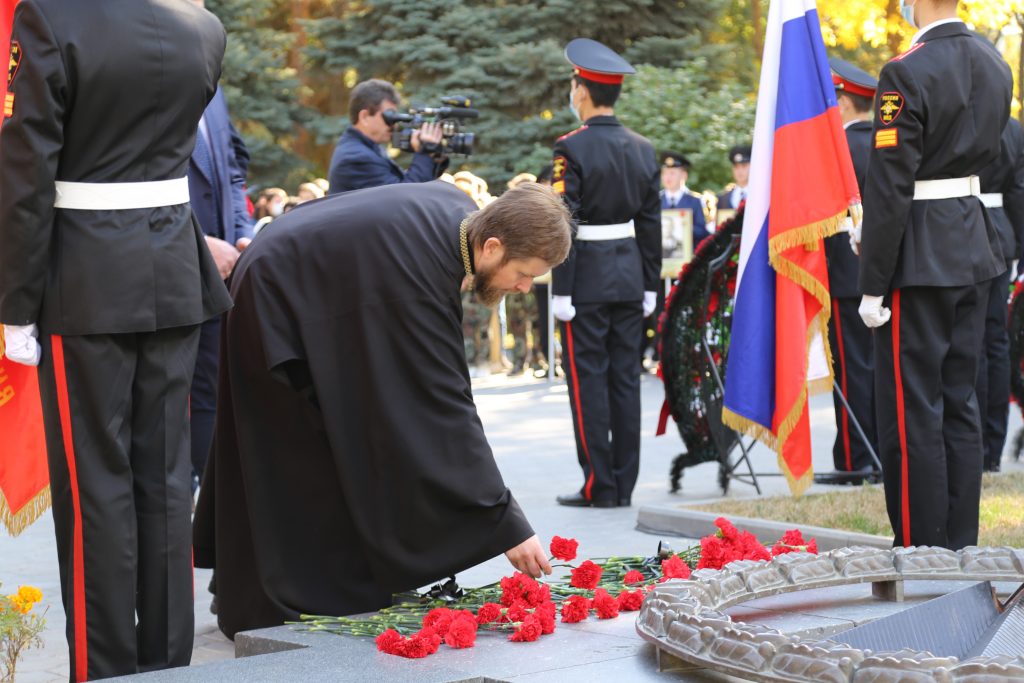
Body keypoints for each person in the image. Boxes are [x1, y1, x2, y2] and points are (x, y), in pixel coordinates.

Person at [192, 182, 569, 638]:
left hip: (301, 285)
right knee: (293, 453)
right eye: (524, 273)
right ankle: (278, 600)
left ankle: (306, 585)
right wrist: (505, 522)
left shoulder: (461, 218)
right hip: (273, 296)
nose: (524, 287)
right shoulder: (420, 280)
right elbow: (443, 407)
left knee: (342, 438)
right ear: (493, 245)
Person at [0, 0, 230, 679]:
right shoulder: (202, 24)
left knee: (95, 485)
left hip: (86, 280)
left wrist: (15, 305)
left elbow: (25, 167)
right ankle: (166, 664)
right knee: (162, 482)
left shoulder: (51, 16)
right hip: (171, 268)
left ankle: (103, 669)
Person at [856, 0, 1012, 550]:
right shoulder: (996, 62)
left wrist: (872, 282)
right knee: (960, 401)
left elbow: (891, 182)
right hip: (974, 244)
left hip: (919, 255)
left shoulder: (906, 70)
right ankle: (960, 543)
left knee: (912, 405)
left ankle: (921, 545)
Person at [551, 38, 661, 508]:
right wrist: (652, 283)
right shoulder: (642, 148)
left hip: (587, 281)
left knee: (587, 381)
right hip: (629, 276)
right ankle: (624, 483)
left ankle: (600, 485)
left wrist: (561, 287)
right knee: (624, 380)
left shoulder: (570, 147)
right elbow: (651, 223)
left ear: (581, 90)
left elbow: (564, 219)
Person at [186, 13, 256, 495]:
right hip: (170, 261)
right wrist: (197, 243)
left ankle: (211, 498)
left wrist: (241, 234)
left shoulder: (213, 89)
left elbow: (230, 172)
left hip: (223, 265)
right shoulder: (145, 83)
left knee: (213, 388)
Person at [815, 58, 881, 486]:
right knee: (878, 365)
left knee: (850, 366)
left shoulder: (834, 151)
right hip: (884, 266)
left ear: (842, 102)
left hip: (844, 268)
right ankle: (877, 451)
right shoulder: (887, 141)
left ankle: (855, 458)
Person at [976, 117, 1024, 473]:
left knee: (972, 342)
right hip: (1001, 232)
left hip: (964, 227)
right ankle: (992, 445)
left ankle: (976, 445)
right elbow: (1018, 192)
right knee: (995, 341)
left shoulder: (959, 114)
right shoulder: (1011, 128)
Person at [327, 79, 447, 193]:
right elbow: (404, 198)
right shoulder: (356, 157)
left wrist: (432, 157)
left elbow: (399, 185)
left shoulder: (367, 148)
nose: (394, 125)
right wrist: (424, 153)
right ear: (364, 117)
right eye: (389, 117)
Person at [659, 152, 709, 244]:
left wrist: (685, 228)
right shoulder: (655, 200)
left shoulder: (696, 201)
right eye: (664, 173)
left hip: (688, 255)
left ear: (684, 175)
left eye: (672, 173)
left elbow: (703, 233)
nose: (667, 177)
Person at [716, 145, 752, 217]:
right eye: (736, 167)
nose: (740, 171)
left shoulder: (760, 197)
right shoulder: (723, 199)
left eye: (744, 166)